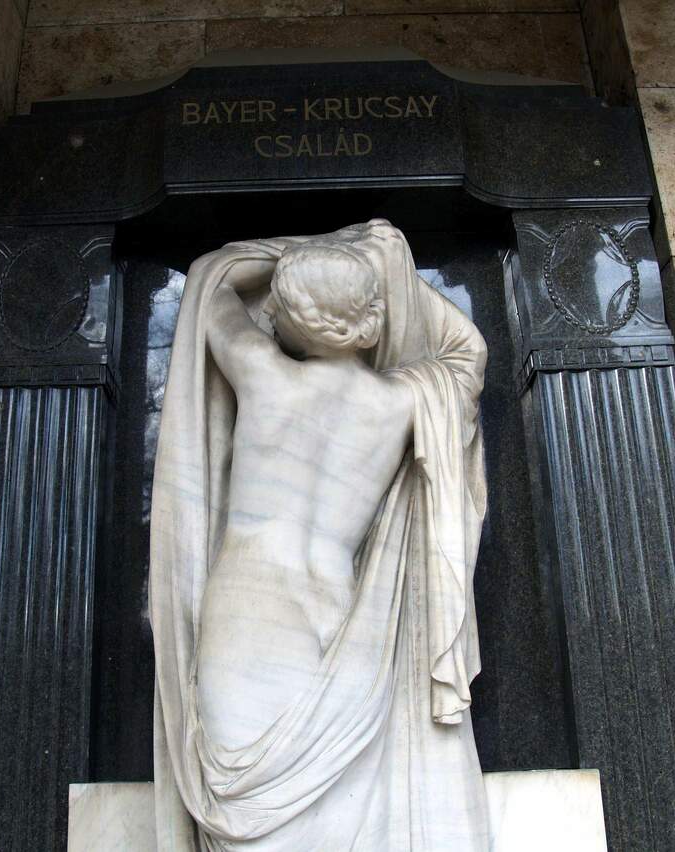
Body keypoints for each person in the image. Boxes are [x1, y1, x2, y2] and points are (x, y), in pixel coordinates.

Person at [150, 220, 490, 851]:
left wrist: (308, 251)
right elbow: (469, 350)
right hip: (343, 616)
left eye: (279, 304)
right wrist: (382, 264)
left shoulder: (261, 370)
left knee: (251, 814)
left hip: (252, 613)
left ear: (294, 314)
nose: (269, 312)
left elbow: (209, 279)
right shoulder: (408, 401)